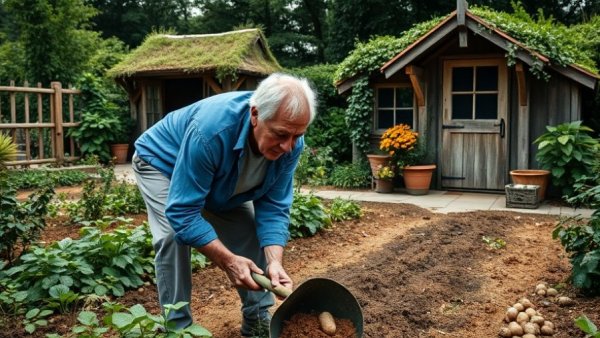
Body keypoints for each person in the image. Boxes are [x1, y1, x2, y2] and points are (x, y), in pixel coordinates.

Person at [131, 73, 316, 336]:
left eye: (298, 135)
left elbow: (274, 206)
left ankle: (257, 319)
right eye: (281, 134)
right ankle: (177, 327)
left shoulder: (290, 144)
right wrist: (228, 260)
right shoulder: (211, 130)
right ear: (255, 115)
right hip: (161, 163)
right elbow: (183, 212)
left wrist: (274, 262)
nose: (289, 146)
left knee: (248, 229)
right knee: (173, 236)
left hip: (218, 178)